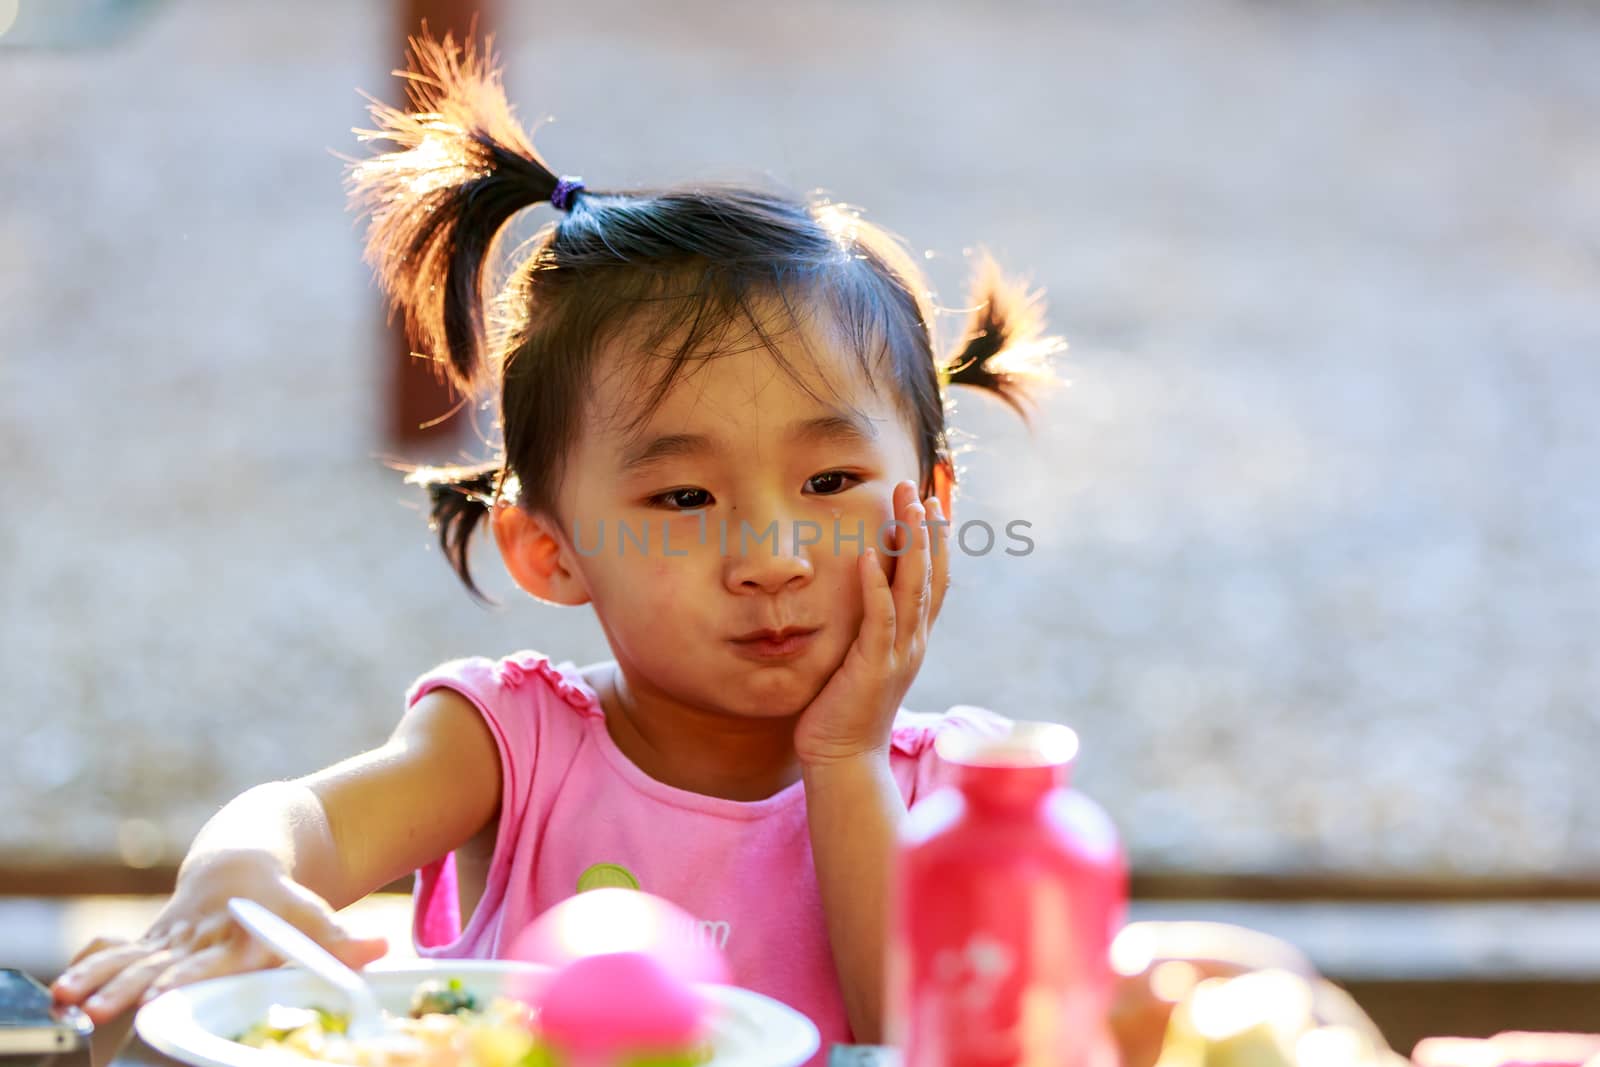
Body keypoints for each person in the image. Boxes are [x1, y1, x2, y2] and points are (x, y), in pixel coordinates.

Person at [51, 30, 1073, 1055]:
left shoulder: (961, 793)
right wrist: (240, 869)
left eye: (829, 481)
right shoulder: (516, 740)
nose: (770, 554)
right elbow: (306, 819)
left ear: (931, 506)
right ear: (549, 549)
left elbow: (923, 1026)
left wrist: (845, 753)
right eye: (681, 495)